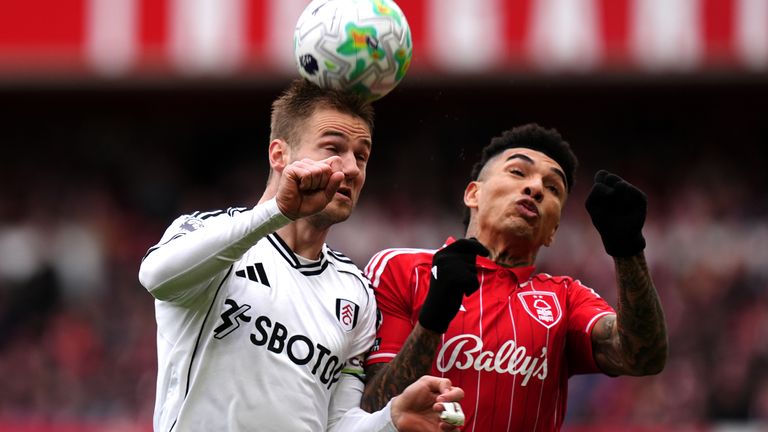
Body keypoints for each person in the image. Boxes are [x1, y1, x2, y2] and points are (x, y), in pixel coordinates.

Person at [138, 78, 464, 432]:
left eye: (362, 155)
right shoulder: (210, 236)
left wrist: (391, 419)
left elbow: (337, 423)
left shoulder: (355, 293)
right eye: (333, 148)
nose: (352, 168)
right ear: (280, 155)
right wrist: (278, 211)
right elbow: (157, 279)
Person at [360, 123, 668, 431]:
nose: (535, 188)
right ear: (473, 194)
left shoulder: (566, 298)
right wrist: (432, 322)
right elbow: (371, 411)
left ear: (553, 231)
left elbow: (643, 358)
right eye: (518, 173)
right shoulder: (399, 269)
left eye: (553, 189)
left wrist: (628, 250)